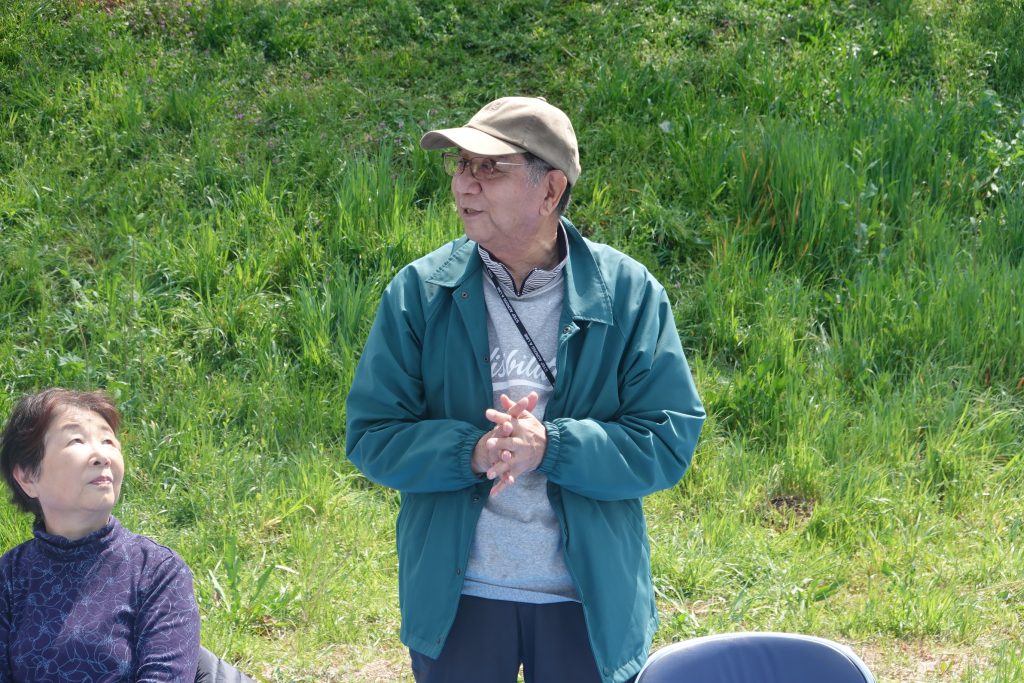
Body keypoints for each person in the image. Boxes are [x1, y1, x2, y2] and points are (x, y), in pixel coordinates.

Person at [345, 96, 705, 683]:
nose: (465, 183)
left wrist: (552, 446)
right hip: (458, 598)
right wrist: (471, 451)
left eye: (490, 168)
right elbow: (373, 434)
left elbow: (666, 442)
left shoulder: (629, 294)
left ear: (550, 189)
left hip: (587, 602)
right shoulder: (420, 292)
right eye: (462, 164)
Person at [0, 388, 201, 682]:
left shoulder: (157, 572)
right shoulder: (8, 577)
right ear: (28, 477)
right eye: (77, 440)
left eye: (108, 441)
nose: (102, 456)